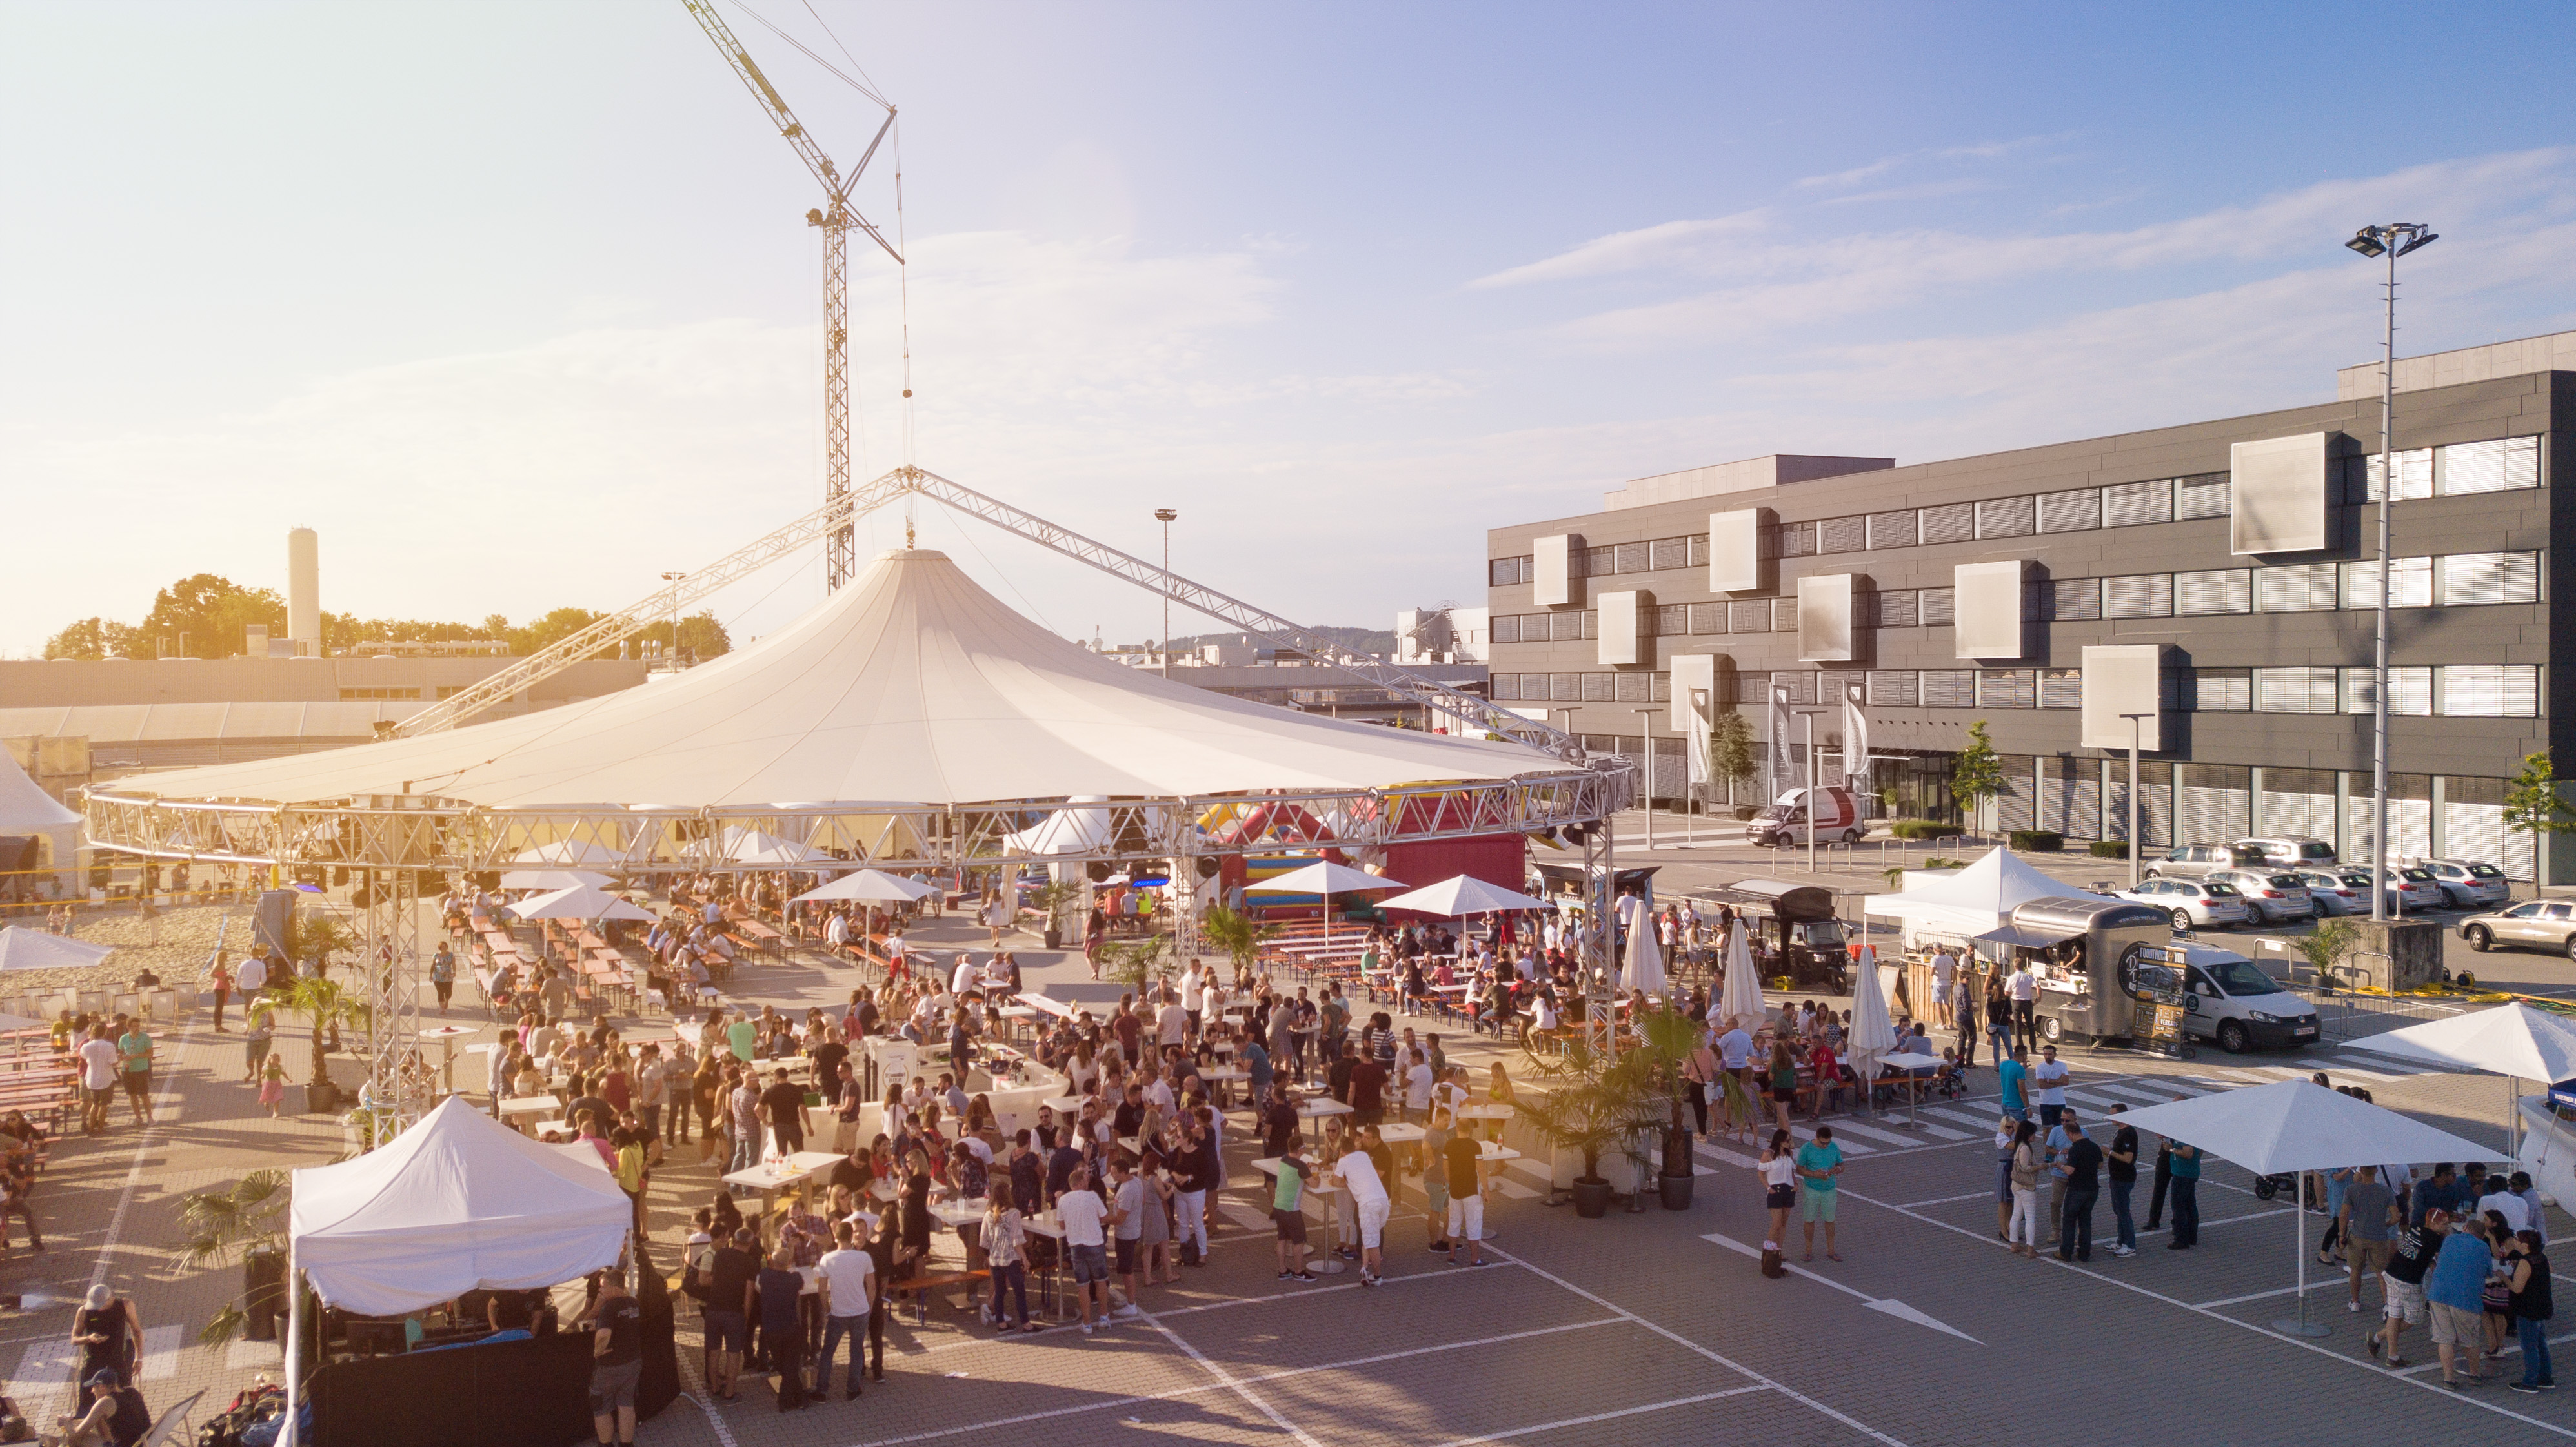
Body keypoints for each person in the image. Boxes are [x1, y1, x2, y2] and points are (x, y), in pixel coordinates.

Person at [2427, 1214, 2498, 1389]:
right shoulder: (2482, 1247)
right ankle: (2475, 1375)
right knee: (2470, 1340)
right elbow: (2489, 1272)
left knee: (2445, 1339)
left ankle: (2449, 1379)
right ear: (2481, 1236)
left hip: (2438, 1294)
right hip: (2466, 1299)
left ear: (2465, 1228)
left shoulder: (2450, 1240)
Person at [2371, 1206, 2446, 1369]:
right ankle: (2379, 1337)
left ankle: (2391, 1355)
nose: (2446, 1227)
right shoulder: (2436, 1239)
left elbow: (2415, 1251)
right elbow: (2442, 1257)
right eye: (2443, 1224)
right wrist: (2433, 1259)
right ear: (2434, 1224)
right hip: (2407, 1281)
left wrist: (2429, 1260)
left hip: (2392, 1273)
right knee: (2414, 1319)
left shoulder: (2416, 1227)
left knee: (2394, 1315)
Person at [816, 1219, 876, 1399]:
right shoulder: (864, 1257)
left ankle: (821, 1391)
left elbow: (821, 1290)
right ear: (851, 1237)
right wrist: (869, 1308)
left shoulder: (826, 1259)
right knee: (856, 1351)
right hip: (860, 1311)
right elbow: (872, 1286)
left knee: (828, 1353)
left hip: (838, 1313)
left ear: (835, 1237)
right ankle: (852, 1390)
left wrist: (827, 1309)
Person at [581, 1273, 642, 1447]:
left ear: (616, 1288)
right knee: (626, 1403)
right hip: (633, 1361)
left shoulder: (609, 1307)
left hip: (611, 1365)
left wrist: (597, 1351)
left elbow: (604, 1335)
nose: (600, 1290)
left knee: (600, 1406)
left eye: (603, 1286)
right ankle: (626, 1444)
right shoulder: (633, 1302)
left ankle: (605, 1444)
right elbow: (624, 1325)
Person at [702, 1228, 759, 1401]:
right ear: (750, 1243)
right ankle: (730, 1393)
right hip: (734, 1313)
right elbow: (749, 1294)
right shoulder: (750, 1263)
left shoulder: (720, 1254)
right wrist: (746, 1316)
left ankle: (716, 1388)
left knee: (713, 1350)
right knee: (733, 1353)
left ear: (734, 1240)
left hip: (713, 1310)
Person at [1057, 1162, 1112, 1335]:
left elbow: (1061, 1225)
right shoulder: (1093, 1196)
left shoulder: (1063, 1200)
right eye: (1086, 1179)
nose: (1088, 1181)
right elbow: (1104, 1217)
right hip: (1095, 1243)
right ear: (1080, 1182)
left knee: (1082, 1285)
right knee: (1101, 1281)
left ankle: (1087, 1323)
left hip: (1076, 1246)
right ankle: (1103, 1317)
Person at [756, 1246, 810, 1410]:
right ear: (789, 1262)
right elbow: (800, 1284)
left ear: (771, 1260)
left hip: (771, 1330)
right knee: (791, 1367)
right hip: (791, 1329)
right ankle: (786, 1400)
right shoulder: (794, 1279)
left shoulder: (765, 1275)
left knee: (784, 1367)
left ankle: (797, 1398)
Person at [1334, 1133, 1391, 1286]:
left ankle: (1377, 1276)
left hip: (1368, 1204)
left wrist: (1347, 1183)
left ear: (1342, 1150)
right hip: (1383, 1200)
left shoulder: (1343, 1161)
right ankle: (1365, 1268)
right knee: (1369, 1237)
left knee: (1372, 1243)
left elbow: (1335, 1181)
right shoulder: (1364, 1155)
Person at [2341, 1164, 2399, 1313]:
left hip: (2357, 1236)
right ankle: (2386, 1304)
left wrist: (2342, 1234)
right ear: (2376, 1171)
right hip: (2379, 1236)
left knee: (2355, 1270)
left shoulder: (2351, 1190)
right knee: (2381, 1272)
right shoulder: (2386, 1191)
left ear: (2360, 1172)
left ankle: (2355, 1302)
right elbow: (2396, 1217)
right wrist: (2386, 1225)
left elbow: (2344, 1215)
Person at [2506, 1229, 2555, 1393]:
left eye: (2517, 1239)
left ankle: (2530, 1381)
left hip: (2528, 1309)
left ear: (2525, 1245)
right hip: (2542, 1306)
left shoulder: (2525, 1262)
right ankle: (2546, 1377)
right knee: (2541, 1343)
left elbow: (2517, 1288)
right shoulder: (2541, 1258)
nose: (2515, 1241)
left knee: (2529, 1346)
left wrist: (2504, 1278)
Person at [45, 1371, 148, 1447]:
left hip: (129, 1445)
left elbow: (77, 1434)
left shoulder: (105, 1402)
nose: (92, 1391)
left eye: (94, 1387)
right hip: (147, 1440)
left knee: (79, 1438)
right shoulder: (132, 1391)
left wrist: (65, 1423)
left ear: (102, 1387)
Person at [2054, 1117, 2102, 1262]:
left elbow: (2070, 1171)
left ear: (2071, 1134)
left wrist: (2060, 1166)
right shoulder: (2094, 1147)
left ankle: (2066, 1252)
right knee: (2085, 1221)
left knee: (2069, 1220)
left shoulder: (2075, 1149)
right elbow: (2100, 1166)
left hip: (2077, 1189)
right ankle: (2084, 1253)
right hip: (2092, 1189)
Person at [72, 1286, 140, 1388]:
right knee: (88, 1398)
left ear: (109, 1299)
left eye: (100, 1305)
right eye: (94, 1305)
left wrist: (139, 1358)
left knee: (122, 1394)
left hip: (119, 1358)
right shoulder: (84, 1311)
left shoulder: (125, 1305)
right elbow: (74, 1339)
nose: (98, 1309)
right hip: (94, 1360)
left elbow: (136, 1331)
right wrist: (89, 1338)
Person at [1442, 1118, 1488, 1268]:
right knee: (1474, 1224)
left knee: (1454, 1223)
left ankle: (1452, 1256)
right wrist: (1486, 1190)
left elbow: (1445, 1169)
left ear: (1457, 1129)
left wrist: (1452, 1183)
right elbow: (1481, 1170)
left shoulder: (1449, 1145)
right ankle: (1475, 1259)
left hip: (1455, 1191)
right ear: (1470, 1130)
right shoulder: (1475, 1146)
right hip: (1471, 1191)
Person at [1795, 1126, 1846, 1262]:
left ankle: (1831, 1250)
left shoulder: (1833, 1147)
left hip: (1829, 1189)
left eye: (1827, 1143)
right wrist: (1814, 1174)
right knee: (1809, 1220)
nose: (1825, 1146)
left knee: (1830, 1220)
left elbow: (1842, 1165)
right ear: (1816, 1138)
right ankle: (1808, 1251)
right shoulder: (1806, 1148)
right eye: (1823, 1143)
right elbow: (1799, 1169)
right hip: (1812, 1189)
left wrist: (1838, 1169)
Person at [1271, 1149, 1316, 1281]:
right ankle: (1299, 1271)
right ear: (1301, 1150)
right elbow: (1314, 1183)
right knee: (1299, 1240)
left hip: (1278, 1205)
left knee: (1282, 1238)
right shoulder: (1300, 1166)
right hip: (1291, 1209)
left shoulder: (1284, 1159)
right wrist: (1315, 1176)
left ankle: (1283, 1270)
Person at [2104, 1104, 2140, 1259]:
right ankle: (2121, 1240)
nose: (2111, 1117)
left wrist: (2110, 1152)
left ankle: (2130, 1245)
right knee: (2118, 1209)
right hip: (2116, 1177)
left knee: (2123, 1211)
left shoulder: (2129, 1133)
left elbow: (2128, 1158)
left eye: (2113, 1115)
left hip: (2124, 1178)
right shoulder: (2120, 1131)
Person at [2006, 1120, 2043, 1259]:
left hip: (2016, 1186)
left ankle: (2014, 1244)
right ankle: (2030, 1249)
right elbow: (2025, 1168)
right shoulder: (2025, 1148)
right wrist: (2040, 1167)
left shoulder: (2019, 1145)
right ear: (2028, 1135)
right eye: (2033, 1134)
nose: (2035, 1136)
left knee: (2016, 1214)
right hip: (2026, 1187)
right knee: (2030, 1218)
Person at [2164, 1134, 2201, 1250]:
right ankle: (2191, 1236)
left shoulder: (2185, 1135)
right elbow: (2200, 1150)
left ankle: (2181, 1239)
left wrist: (2171, 1149)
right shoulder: (2192, 1131)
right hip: (2188, 1173)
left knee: (2178, 1206)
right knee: (2190, 1205)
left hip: (2183, 1174)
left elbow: (2188, 1153)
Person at [2029, 1045, 2068, 1129]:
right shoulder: (2040, 1067)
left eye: (2050, 1054)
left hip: (2060, 1102)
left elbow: (2066, 1081)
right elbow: (2041, 1085)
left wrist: (2048, 1081)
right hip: (2045, 1103)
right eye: (2045, 1054)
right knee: (2047, 1129)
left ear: (2055, 1054)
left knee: (2060, 1128)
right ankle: (2047, 1143)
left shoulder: (2062, 1065)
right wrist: (2058, 1082)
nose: (2047, 1056)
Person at [1996, 1047, 2028, 1125]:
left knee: (2008, 1130)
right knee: (2020, 1132)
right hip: (2017, 1106)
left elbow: (2010, 1076)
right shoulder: (2019, 1069)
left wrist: (2022, 1068)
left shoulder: (2003, 1064)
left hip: (2005, 1103)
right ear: (2024, 1056)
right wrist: (2028, 1107)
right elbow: (2022, 1090)